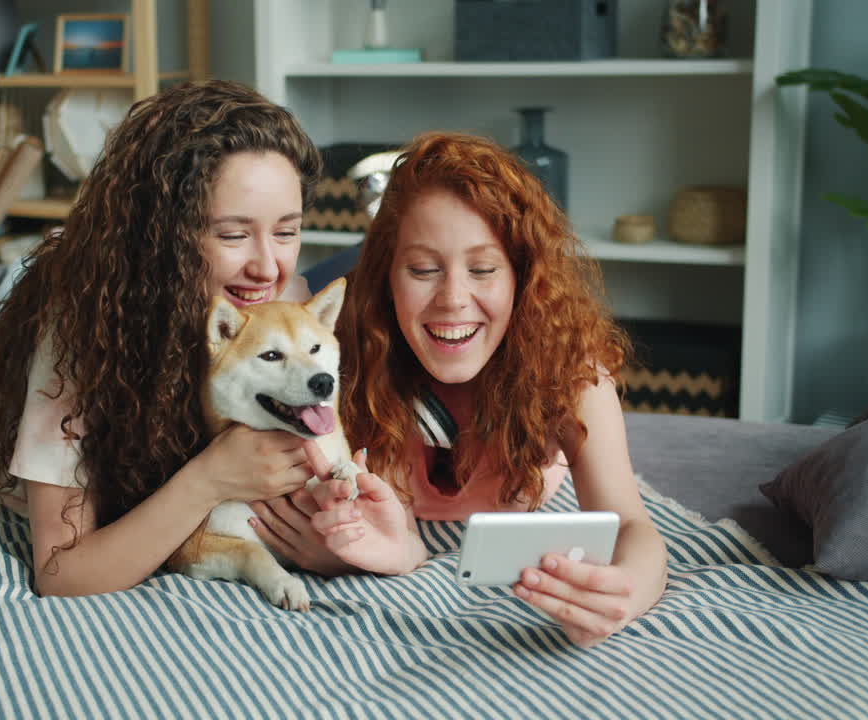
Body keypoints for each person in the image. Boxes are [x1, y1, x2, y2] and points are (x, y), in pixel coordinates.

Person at [250, 132, 668, 647]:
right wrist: (364, 553)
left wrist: (624, 591)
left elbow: (632, 525)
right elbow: (390, 536)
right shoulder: (344, 363)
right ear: (388, 277)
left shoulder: (568, 374)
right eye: (423, 270)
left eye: (483, 269)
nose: (453, 299)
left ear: (522, 275)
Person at [0, 80, 329, 599]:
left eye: (287, 232)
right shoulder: (82, 339)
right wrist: (210, 479)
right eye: (233, 234)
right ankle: (19, 277)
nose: (267, 268)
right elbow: (61, 572)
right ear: (165, 237)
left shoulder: (276, 302)